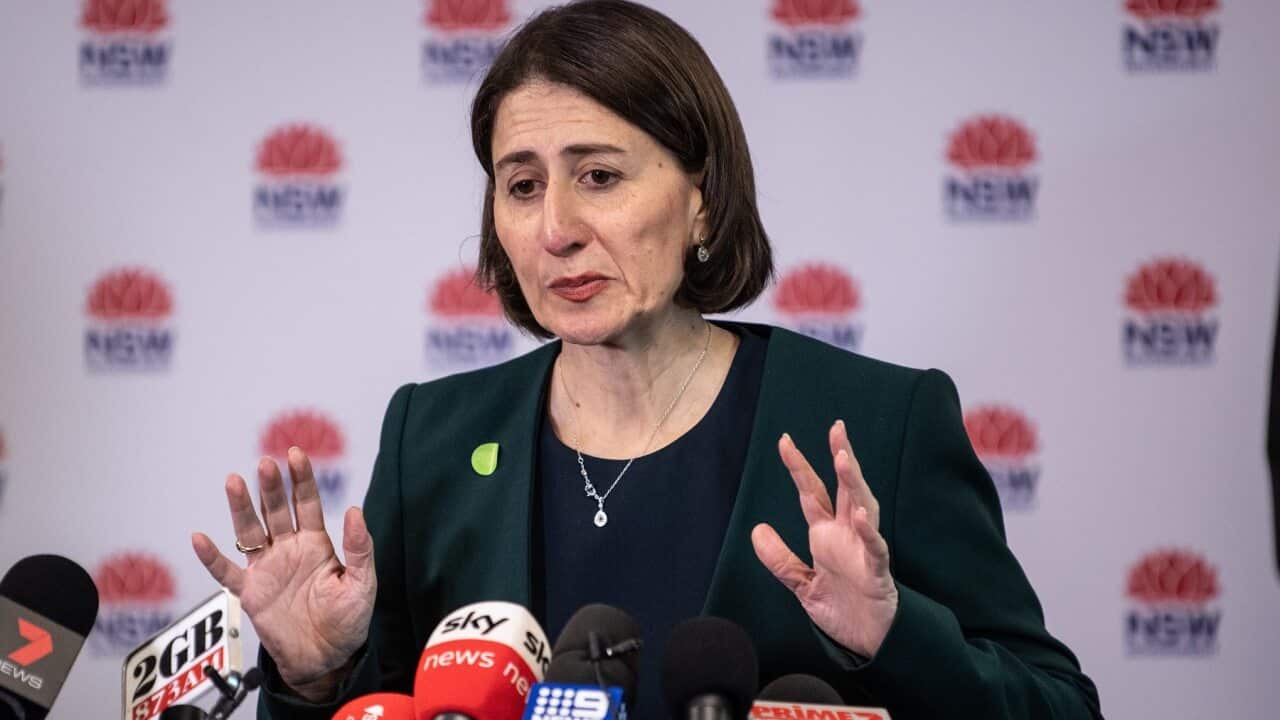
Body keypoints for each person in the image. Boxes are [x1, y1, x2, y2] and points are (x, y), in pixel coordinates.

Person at [190, 2, 1102, 718]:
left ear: (702, 202)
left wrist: (897, 635)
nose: (556, 231)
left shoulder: (877, 421)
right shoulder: (433, 434)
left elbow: (1059, 706)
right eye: (522, 186)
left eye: (600, 176)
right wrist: (315, 678)